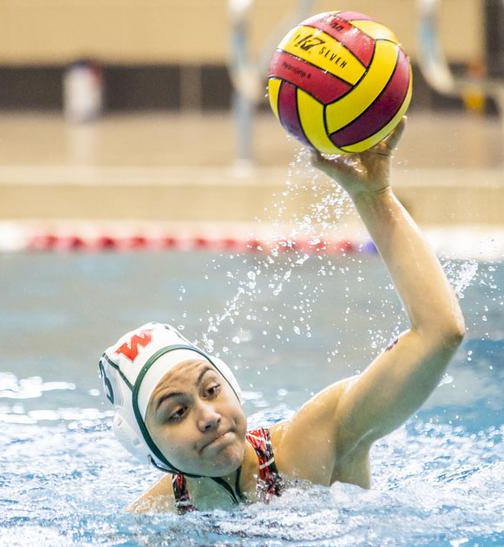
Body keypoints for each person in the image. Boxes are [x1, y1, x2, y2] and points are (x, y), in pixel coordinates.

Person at [97, 120, 466, 513]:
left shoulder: (315, 442)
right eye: (177, 412)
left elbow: (438, 333)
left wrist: (373, 196)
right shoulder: (154, 518)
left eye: (211, 390)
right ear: (147, 446)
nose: (208, 417)